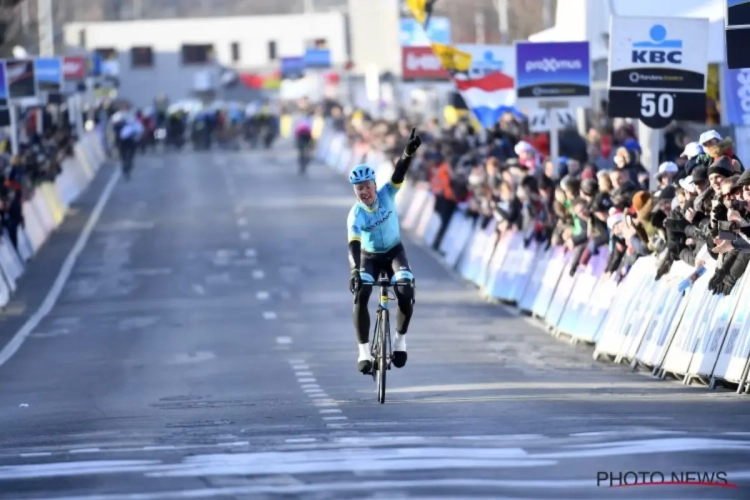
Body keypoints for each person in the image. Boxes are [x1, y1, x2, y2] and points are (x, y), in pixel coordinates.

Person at [347, 128, 422, 374]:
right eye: (359, 189)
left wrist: (408, 153)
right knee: (360, 294)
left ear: (374, 185)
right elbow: (354, 245)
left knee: (405, 290)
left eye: (367, 187)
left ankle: (400, 341)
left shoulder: (388, 194)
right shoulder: (355, 215)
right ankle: (364, 352)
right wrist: (355, 271)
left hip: (394, 253)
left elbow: (399, 172)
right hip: (369, 258)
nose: (364, 192)